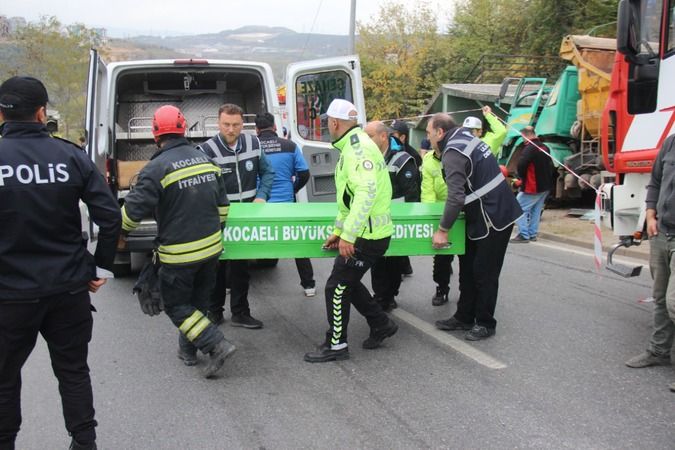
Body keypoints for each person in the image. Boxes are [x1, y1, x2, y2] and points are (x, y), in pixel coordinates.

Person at [0, 76, 121, 449]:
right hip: (68, 288)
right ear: (41, 113)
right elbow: (110, 215)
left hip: (10, 295)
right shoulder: (70, 156)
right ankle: (85, 443)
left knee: (4, 378)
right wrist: (99, 267)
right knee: (72, 371)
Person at [120, 105, 236, 379]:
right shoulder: (207, 161)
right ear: (184, 129)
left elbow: (130, 216)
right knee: (197, 302)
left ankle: (215, 344)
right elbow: (223, 208)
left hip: (179, 256)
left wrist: (119, 233)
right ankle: (188, 351)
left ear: (155, 134)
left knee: (176, 306)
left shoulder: (155, 168)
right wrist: (213, 234)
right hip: (211, 249)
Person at [304, 99, 398, 363]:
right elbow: (348, 196)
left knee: (335, 287)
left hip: (368, 237)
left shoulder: (357, 150)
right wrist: (339, 230)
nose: (327, 126)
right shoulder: (354, 145)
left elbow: (365, 194)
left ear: (334, 123)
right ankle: (381, 324)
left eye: (327, 123)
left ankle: (336, 345)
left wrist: (349, 235)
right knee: (347, 282)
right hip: (368, 233)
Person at [429, 113, 522, 341]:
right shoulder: (465, 137)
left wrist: (442, 230)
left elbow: (455, 197)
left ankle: (485, 323)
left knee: (484, 272)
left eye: (430, 133)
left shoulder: (453, 151)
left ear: (440, 132)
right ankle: (464, 316)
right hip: (486, 211)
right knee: (468, 268)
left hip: (493, 215)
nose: (429, 138)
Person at [199, 104, 275, 329]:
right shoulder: (207, 150)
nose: (231, 129)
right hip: (219, 219)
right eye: (226, 124)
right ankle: (214, 312)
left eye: (235, 125)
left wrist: (262, 196)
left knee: (241, 267)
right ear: (218, 123)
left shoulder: (254, 143)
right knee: (217, 267)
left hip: (246, 217)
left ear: (243, 124)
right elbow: (204, 186)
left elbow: (268, 172)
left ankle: (241, 312)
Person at [625, 134, 675, 393]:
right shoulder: (670, 142)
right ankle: (658, 350)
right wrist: (651, 214)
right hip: (662, 232)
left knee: (673, 301)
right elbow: (655, 182)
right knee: (659, 297)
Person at [254, 112, 316, 296]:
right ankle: (309, 285)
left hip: (259, 205)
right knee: (297, 243)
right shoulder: (290, 145)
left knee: (246, 244)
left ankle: (229, 285)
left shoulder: (252, 147)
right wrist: (293, 188)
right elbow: (304, 173)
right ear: (275, 127)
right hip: (286, 204)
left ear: (256, 130)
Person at [365, 121, 421, 312]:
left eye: (370, 136)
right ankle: (381, 295)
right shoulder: (367, 157)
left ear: (383, 136)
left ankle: (389, 295)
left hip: (397, 219)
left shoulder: (403, 159)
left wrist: (408, 220)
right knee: (378, 260)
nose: (366, 140)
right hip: (375, 220)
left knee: (394, 260)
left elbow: (412, 193)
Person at [421, 133, 454, 307]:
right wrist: (430, 217)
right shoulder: (428, 159)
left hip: (462, 208)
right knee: (441, 256)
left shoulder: (456, 153)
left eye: (429, 133)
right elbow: (427, 191)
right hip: (441, 211)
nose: (427, 138)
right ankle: (442, 288)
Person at [511, 126, 553, 243]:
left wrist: (521, 178)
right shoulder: (545, 147)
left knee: (517, 208)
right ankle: (532, 233)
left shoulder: (529, 148)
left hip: (532, 186)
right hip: (545, 186)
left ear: (525, 135)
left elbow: (521, 165)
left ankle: (524, 234)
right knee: (536, 210)